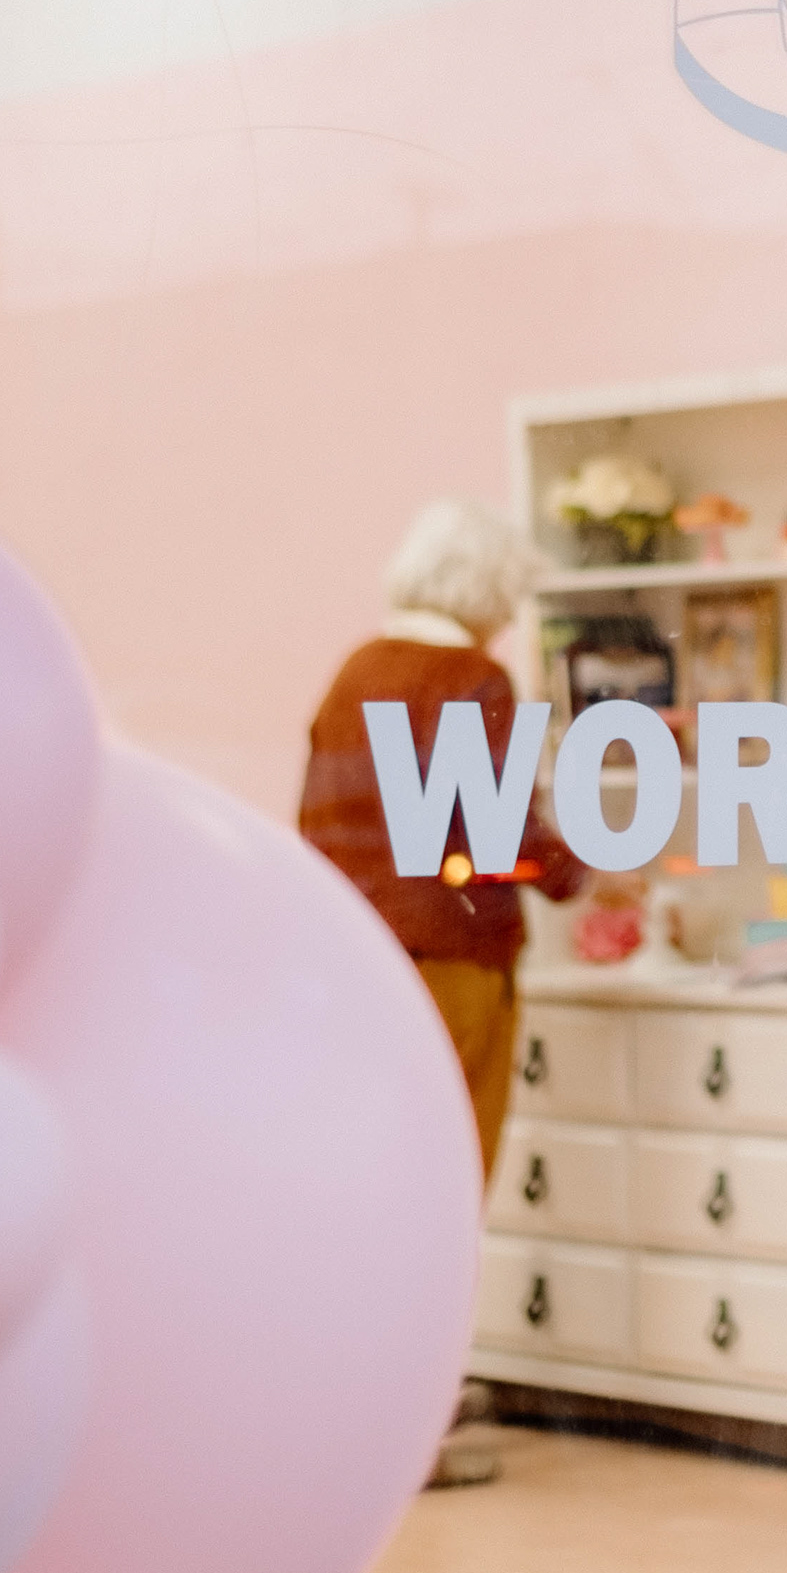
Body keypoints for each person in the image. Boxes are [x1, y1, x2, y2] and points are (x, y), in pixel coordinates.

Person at [297, 495, 591, 1488]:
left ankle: (368, 1403)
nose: (508, 617)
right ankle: (413, 1419)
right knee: (448, 1190)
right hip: (454, 965)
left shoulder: (353, 675)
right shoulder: (472, 681)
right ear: (484, 588)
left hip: (362, 969)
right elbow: (502, 839)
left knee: (378, 1188)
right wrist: (588, 875)